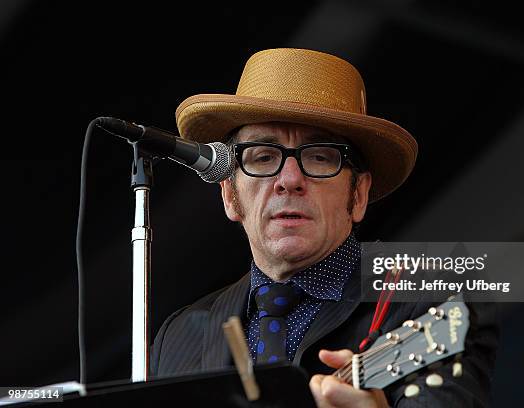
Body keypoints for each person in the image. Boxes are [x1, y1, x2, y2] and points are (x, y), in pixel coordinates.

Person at [150, 48, 498, 407]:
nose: (289, 180)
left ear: (358, 194)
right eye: (263, 157)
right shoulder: (176, 337)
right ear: (229, 195)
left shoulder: (426, 297)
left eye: (319, 157)